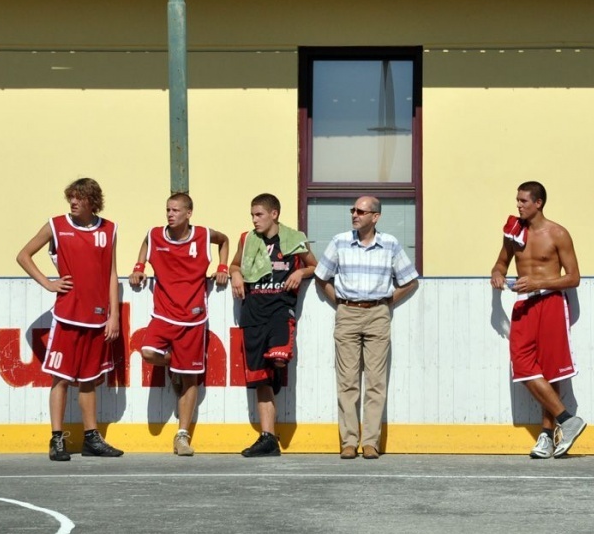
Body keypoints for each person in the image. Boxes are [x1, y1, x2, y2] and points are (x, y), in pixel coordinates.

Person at [16, 178, 123, 461]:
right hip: (67, 315)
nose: (73, 203)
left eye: (78, 198)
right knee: (61, 379)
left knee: (88, 381)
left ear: (92, 201)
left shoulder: (109, 229)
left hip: (98, 317)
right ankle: (57, 439)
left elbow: (111, 274)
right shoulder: (56, 225)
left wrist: (114, 315)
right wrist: (48, 283)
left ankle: (91, 439)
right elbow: (23, 255)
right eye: (71, 198)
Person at [314, 196, 419, 460]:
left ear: (376, 216)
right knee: (347, 381)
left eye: (361, 211)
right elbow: (320, 276)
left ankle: (370, 441)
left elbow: (409, 280)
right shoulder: (339, 241)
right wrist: (339, 301)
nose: (355, 214)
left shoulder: (391, 244)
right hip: (347, 312)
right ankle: (349, 441)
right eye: (353, 210)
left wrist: (385, 303)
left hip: (378, 315)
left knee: (375, 381)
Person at [490, 181, 586, 459]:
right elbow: (501, 263)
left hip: (551, 301)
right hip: (524, 304)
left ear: (538, 202)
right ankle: (568, 420)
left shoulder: (558, 233)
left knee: (549, 369)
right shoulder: (513, 232)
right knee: (522, 364)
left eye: (523, 201)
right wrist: (496, 273)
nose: (518, 205)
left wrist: (538, 282)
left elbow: (573, 277)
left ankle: (546, 435)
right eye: (517, 200)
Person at [128, 193, 229, 456]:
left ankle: (182, 436)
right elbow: (145, 243)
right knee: (148, 353)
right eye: (167, 210)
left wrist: (222, 266)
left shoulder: (204, 235)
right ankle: (173, 365)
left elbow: (225, 240)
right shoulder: (155, 235)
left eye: (175, 210)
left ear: (188, 213)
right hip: (163, 314)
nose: (170, 214)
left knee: (190, 378)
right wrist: (139, 266)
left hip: (194, 317)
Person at [230, 193, 317, 457]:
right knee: (259, 380)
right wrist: (235, 274)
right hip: (253, 313)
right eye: (252, 215)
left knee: (279, 358)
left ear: (274, 214)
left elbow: (314, 265)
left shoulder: (293, 239)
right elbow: (235, 263)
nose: (255, 220)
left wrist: (300, 272)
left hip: (280, 310)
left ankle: (277, 372)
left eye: (259, 214)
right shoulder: (247, 239)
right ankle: (268, 438)